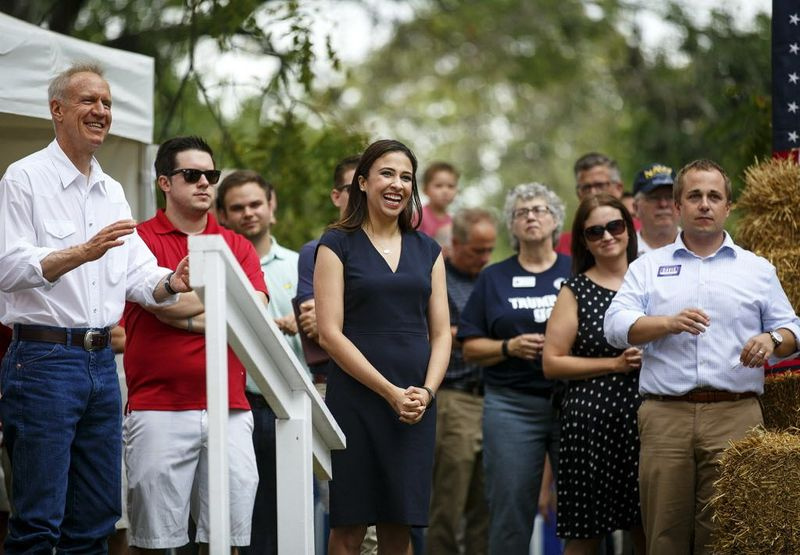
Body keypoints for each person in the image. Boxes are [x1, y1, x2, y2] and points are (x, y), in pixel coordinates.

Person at [0, 63, 190, 554]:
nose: (101, 111)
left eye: (106, 102)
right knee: (40, 519)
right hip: (42, 362)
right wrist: (80, 252)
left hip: (103, 365)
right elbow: (7, 269)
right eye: (89, 101)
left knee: (98, 515)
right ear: (56, 110)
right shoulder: (24, 179)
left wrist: (172, 281)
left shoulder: (112, 192)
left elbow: (138, 278)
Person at [604, 159, 800, 555]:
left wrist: (771, 338)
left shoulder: (756, 269)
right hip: (665, 416)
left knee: (726, 535)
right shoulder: (648, 267)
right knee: (664, 535)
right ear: (678, 207)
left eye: (714, 196)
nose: (705, 204)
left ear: (729, 207)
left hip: (736, 413)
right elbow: (614, 325)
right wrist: (666, 323)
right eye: (694, 196)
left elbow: (793, 329)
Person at [122, 136, 267, 554]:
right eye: (192, 174)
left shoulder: (236, 245)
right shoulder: (140, 239)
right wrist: (216, 306)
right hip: (158, 405)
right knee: (152, 541)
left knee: (227, 540)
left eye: (211, 175)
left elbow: (251, 312)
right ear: (165, 182)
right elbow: (156, 299)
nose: (205, 182)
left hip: (231, 407)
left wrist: (180, 312)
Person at [315, 139, 451, 555]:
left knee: (399, 525)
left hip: (414, 403)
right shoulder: (336, 243)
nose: (397, 184)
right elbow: (329, 333)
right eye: (387, 174)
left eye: (406, 177)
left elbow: (443, 333)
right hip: (356, 399)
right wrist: (389, 392)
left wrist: (425, 393)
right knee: (349, 525)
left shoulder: (428, 249)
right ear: (362, 182)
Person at [458, 182, 571, 554]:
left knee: (582, 511)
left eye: (539, 210)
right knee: (509, 513)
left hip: (573, 400)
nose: (531, 217)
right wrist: (509, 347)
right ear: (512, 226)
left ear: (556, 220)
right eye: (521, 213)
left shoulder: (578, 271)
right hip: (511, 405)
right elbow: (470, 347)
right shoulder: (494, 278)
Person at [542, 194, 645, 555]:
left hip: (649, 420)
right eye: (595, 231)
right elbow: (551, 362)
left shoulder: (653, 276)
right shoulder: (575, 290)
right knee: (586, 534)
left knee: (647, 526)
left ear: (629, 230)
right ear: (584, 241)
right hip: (590, 423)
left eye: (615, 226)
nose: (607, 236)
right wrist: (613, 364)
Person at [216, 170, 303, 555]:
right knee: (233, 514)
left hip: (289, 403)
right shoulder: (216, 268)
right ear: (222, 215)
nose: (248, 213)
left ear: (272, 207)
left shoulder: (303, 266)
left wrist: (310, 322)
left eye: (255, 204)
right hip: (231, 404)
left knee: (291, 511)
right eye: (237, 208)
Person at [426, 209, 497, 555]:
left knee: (485, 505)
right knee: (448, 503)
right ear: (454, 244)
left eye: (489, 250)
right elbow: (428, 334)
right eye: (477, 250)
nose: (484, 258)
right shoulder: (437, 278)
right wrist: (469, 338)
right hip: (453, 398)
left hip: (495, 398)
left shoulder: (490, 279)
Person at [295, 155, 360, 388]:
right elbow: (314, 324)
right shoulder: (314, 251)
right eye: (353, 188)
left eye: (368, 186)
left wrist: (334, 318)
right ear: (336, 196)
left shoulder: (396, 250)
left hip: (391, 380)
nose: (362, 194)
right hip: (331, 382)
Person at [555, 152, 627, 255]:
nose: (593, 193)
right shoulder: (563, 246)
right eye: (586, 188)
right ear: (578, 194)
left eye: (600, 185)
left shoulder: (643, 232)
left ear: (619, 188)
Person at [632, 163, 679, 255]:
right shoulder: (625, 252)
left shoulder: (700, 245)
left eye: (670, 197)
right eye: (654, 197)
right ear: (636, 208)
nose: (663, 204)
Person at [418, 161, 459, 242]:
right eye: (438, 186)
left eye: (451, 186)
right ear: (425, 189)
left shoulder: (452, 221)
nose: (445, 191)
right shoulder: (418, 217)